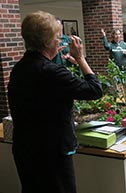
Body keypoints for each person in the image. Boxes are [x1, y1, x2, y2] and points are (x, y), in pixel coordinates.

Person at [7, 11, 103, 193]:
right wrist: (81, 58)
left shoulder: (19, 69)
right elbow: (95, 90)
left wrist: (49, 57)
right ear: (47, 42)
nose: (61, 41)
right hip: (53, 155)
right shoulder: (54, 73)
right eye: (58, 37)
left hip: (25, 150)